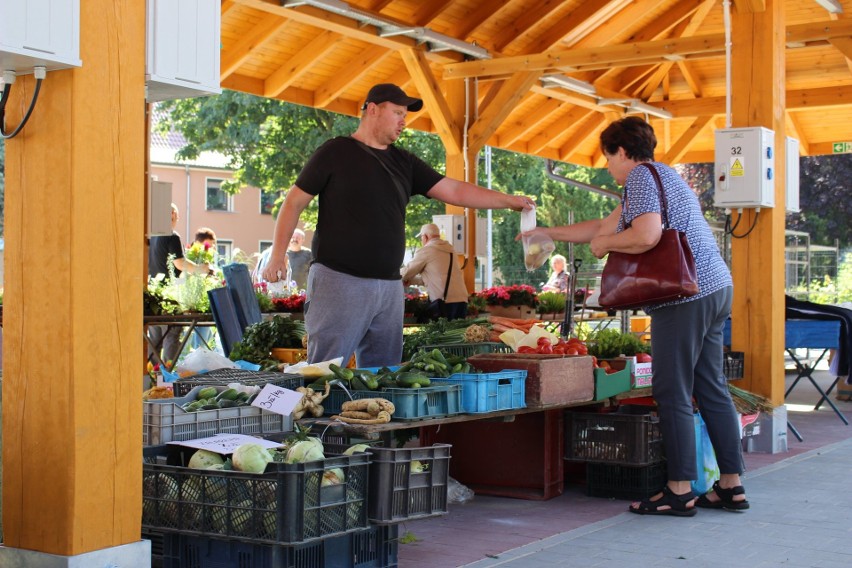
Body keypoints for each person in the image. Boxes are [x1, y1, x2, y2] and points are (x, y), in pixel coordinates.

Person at [521, 116, 745, 516]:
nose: (608, 167)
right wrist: (548, 233)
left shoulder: (640, 177)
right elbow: (601, 225)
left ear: (622, 152)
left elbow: (645, 236)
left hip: (683, 297)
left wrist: (605, 245)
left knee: (672, 391)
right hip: (714, 287)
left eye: (608, 158)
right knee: (711, 387)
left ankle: (678, 490)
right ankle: (730, 486)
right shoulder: (664, 177)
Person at [262, 83, 534, 367]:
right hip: (339, 280)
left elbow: (455, 190)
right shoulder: (335, 152)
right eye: (398, 113)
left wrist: (507, 200)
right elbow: (293, 202)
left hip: (390, 286)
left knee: (384, 374)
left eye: (405, 114)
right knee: (326, 370)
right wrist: (278, 255)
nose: (404, 121)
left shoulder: (405, 162)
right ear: (373, 110)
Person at [147, 204, 214, 367]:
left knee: (155, 339)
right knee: (172, 334)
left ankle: (152, 375)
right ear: (172, 214)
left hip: (154, 294)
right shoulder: (172, 236)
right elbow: (180, 264)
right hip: (170, 295)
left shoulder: (153, 236)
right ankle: (170, 373)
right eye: (177, 216)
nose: (178, 219)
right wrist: (203, 269)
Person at [401, 223, 469, 321]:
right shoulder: (450, 250)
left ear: (425, 236)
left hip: (443, 303)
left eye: (421, 238)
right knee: (456, 334)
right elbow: (436, 278)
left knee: (442, 335)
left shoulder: (427, 250)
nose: (421, 240)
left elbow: (407, 272)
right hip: (461, 300)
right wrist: (411, 281)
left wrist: (390, 274)